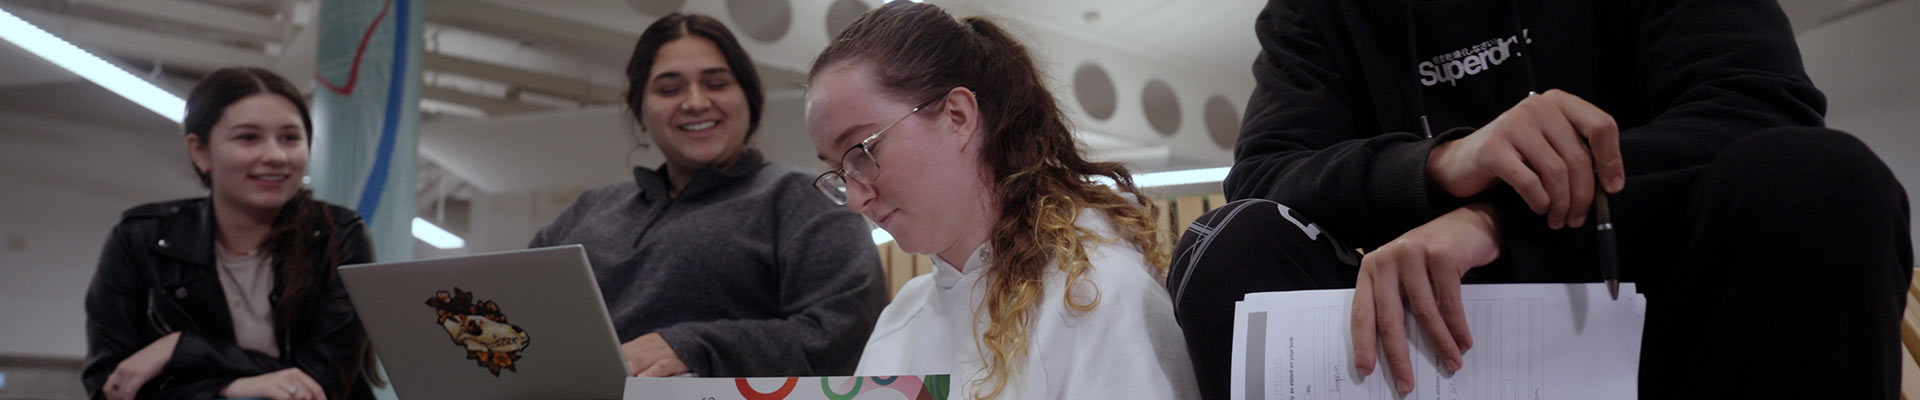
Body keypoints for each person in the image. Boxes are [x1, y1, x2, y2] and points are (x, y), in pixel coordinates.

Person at [1167, 0, 1913, 398]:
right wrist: (1442, 165)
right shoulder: (1317, 13)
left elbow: (1758, 105)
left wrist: (1497, 217)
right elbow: (1265, 175)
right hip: (1439, 346)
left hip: (1670, 313)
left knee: (1823, 181)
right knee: (1228, 248)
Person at [804, 3, 1202, 399]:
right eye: (840, 171)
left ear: (957, 116)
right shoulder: (902, 316)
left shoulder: (1093, 292)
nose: (856, 200)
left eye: (861, 152)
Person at [528, 13, 887, 378]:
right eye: (669, 90)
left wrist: (696, 348)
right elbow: (514, 317)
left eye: (716, 83)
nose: (696, 102)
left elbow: (847, 334)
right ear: (640, 112)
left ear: (748, 98)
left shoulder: (803, 199)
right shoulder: (586, 212)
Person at [83, 67, 378, 400]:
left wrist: (184, 349)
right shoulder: (140, 239)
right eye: (248, 137)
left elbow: (322, 382)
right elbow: (111, 385)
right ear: (200, 152)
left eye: (290, 138)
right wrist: (230, 388)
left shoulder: (339, 236)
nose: (275, 156)